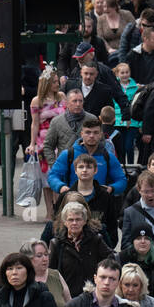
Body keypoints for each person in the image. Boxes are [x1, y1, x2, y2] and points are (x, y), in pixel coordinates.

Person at [48, 116, 127, 199]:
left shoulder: (108, 157)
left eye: (96, 132)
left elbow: (121, 180)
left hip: (100, 203)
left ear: (101, 135)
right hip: (73, 202)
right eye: (88, 132)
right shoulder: (68, 154)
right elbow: (53, 176)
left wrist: (111, 189)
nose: (92, 136)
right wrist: (61, 187)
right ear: (81, 134)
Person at [48, 202, 113, 300]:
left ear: (84, 221)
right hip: (67, 297)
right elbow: (50, 272)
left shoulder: (96, 240)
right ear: (65, 222)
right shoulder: (57, 244)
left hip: (93, 295)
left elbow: (111, 259)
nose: (74, 223)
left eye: (78, 219)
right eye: (71, 220)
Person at [51, 152, 118, 247]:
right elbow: (56, 223)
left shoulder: (105, 196)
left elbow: (112, 225)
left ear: (95, 170)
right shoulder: (65, 196)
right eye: (81, 167)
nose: (85, 170)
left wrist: (108, 245)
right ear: (75, 170)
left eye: (89, 167)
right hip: (68, 246)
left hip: (98, 247)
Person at [26, 67, 66, 219]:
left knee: (59, 177)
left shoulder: (61, 97)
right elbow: (34, 123)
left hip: (61, 141)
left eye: (57, 81)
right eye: (54, 82)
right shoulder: (37, 101)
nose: (57, 84)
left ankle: (59, 210)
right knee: (47, 180)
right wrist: (32, 143)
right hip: (44, 144)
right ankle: (50, 211)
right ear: (47, 83)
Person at [42, 87, 98, 168]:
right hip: (65, 167)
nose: (78, 104)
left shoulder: (92, 119)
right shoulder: (57, 121)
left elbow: (101, 142)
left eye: (80, 101)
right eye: (74, 101)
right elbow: (48, 146)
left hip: (88, 168)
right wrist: (54, 165)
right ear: (67, 103)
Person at [21, 238, 71, 307]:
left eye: (46, 254)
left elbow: (70, 304)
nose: (45, 259)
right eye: (39, 255)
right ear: (28, 258)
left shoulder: (55, 275)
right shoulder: (21, 279)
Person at [120, 226, 154, 298]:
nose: (143, 241)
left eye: (147, 238)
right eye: (138, 238)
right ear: (132, 241)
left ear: (152, 242)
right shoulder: (122, 258)